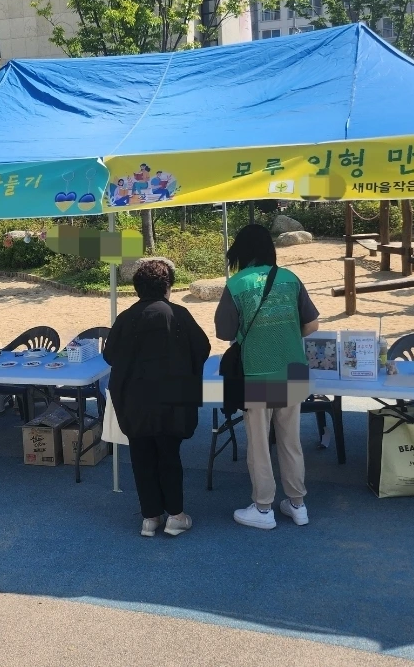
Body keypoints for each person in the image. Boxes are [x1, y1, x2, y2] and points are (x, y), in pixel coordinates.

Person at [215, 224, 320, 530]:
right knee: (291, 442)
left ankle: (263, 508)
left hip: (258, 371)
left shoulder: (237, 284)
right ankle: (298, 505)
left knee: (260, 445)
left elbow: (224, 332)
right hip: (293, 371)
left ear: (241, 251)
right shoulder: (290, 278)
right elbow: (312, 325)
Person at [103, 260, 210, 538]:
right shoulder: (178, 314)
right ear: (167, 287)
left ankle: (149, 517)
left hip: (134, 401)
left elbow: (110, 355)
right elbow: (202, 348)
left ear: (137, 288)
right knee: (168, 456)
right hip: (171, 399)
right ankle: (175, 516)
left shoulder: (126, 318)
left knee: (141, 457)